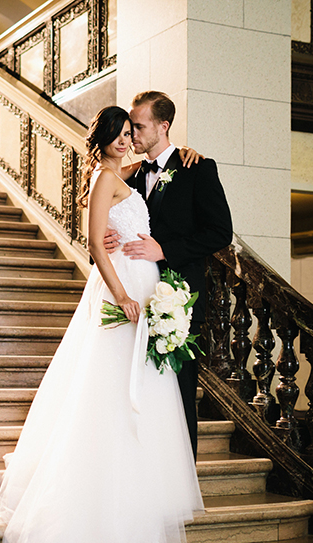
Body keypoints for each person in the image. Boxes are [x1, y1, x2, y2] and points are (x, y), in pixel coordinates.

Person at [0, 106, 204, 543]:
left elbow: (148, 172)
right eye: (120, 133)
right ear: (105, 136)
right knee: (108, 390)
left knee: (142, 394)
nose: (128, 139)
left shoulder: (123, 172)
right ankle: (96, 503)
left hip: (148, 291)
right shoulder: (104, 178)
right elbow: (93, 240)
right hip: (123, 292)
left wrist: (184, 153)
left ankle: (137, 493)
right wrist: (124, 295)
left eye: (132, 132)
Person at [109, 90, 234, 459]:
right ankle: (141, 464)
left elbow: (219, 232)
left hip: (179, 294)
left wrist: (165, 251)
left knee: (179, 385)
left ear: (164, 126)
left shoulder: (197, 167)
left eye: (139, 126)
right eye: (130, 127)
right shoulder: (127, 175)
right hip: (135, 288)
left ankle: (182, 472)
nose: (132, 134)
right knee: (138, 381)